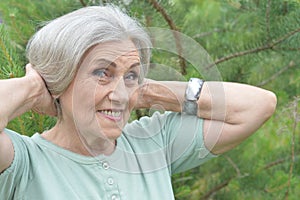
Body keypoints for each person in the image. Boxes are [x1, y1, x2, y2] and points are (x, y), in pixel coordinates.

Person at [0, 5, 277, 200]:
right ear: (61, 76)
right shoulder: (23, 162)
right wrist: (35, 87)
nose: (120, 94)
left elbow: (258, 105)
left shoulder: (153, 143)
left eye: (131, 74)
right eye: (101, 73)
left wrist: (147, 92)